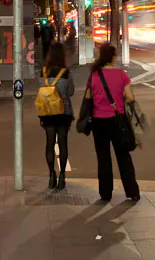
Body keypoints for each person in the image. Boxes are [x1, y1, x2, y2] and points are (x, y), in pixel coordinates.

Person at [86, 43, 139, 202]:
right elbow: (130, 97)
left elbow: (89, 97)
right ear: (113, 57)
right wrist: (119, 99)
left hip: (98, 121)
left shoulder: (94, 75)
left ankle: (105, 193)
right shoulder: (121, 75)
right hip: (117, 120)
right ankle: (132, 191)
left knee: (103, 157)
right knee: (123, 156)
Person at [36, 42, 74, 190]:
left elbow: (41, 89)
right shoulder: (65, 72)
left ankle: (51, 175)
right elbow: (70, 91)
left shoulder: (43, 72)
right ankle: (62, 176)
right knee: (63, 143)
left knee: (49, 143)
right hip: (63, 112)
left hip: (47, 112)